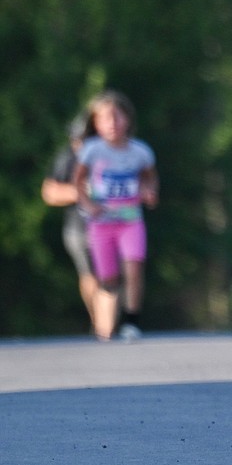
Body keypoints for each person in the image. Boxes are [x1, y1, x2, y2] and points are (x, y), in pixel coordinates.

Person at [72, 90, 159, 341]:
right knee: (108, 276)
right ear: (96, 124)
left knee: (134, 267)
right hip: (101, 223)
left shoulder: (140, 152)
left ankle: (132, 321)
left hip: (130, 220)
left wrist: (150, 192)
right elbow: (78, 182)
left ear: (128, 120)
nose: (112, 123)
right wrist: (88, 204)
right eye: (105, 118)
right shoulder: (91, 150)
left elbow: (150, 179)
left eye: (117, 117)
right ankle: (108, 320)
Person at [41, 114, 99, 331]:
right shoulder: (67, 158)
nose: (80, 144)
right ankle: (99, 321)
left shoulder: (109, 155)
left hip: (111, 223)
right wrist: (82, 192)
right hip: (79, 226)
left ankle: (111, 319)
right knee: (90, 273)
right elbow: (49, 192)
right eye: (77, 139)